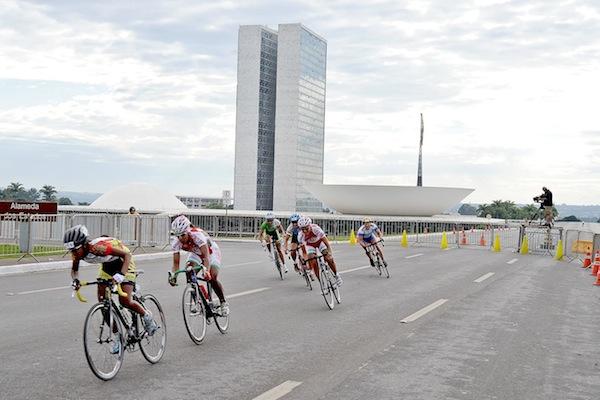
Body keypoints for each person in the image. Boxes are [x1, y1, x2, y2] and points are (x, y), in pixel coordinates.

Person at [64, 224, 158, 353]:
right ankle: (118, 335)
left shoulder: (98, 248)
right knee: (103, 302)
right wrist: (75, 281)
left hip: (124, 262)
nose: (73, 253)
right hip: (107, 266)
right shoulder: (77, 253)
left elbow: (126, 256)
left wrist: (121, 275)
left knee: (124, 300)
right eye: (71, 251)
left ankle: (147, 316)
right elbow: (74, 270)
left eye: (75, 250)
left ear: (84, 244)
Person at [168, 215, 229, 316]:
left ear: (188, 231)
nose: (180, 238)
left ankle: (223, 302)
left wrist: (205, 270)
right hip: (196, 253)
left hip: (211, 252)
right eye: (177, 235)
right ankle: (199, 301)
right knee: (189, 271)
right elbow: (176, 264)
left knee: (212, 276)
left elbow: (206, 257)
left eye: (183, 235)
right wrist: (174, 276)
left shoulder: (197, 235)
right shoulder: (176, 242)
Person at [297, 216, 343, 287]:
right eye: (303, 229)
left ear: (310, 226)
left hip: (319, 242)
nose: (305, 231)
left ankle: (337, 276)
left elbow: (325, 241)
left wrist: (330, 252)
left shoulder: (316, 229)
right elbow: (304, 251)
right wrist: (305, 259)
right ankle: (321, 283)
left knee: (328, 258)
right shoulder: (300, 236)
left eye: (306, 228)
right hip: (310, 245)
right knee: (312, 259)